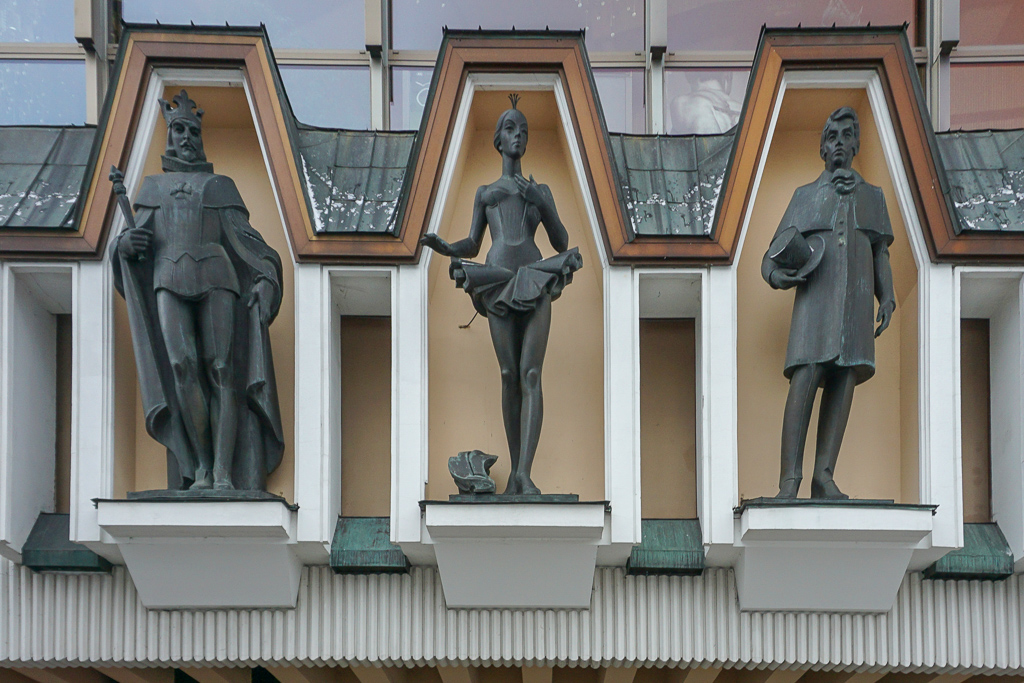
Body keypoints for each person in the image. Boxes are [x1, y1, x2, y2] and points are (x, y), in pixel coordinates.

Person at [111, 90, 284, 492]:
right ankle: (201, 466)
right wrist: (125, 245)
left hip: (217, 277)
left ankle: (222, 471)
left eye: (192, 130)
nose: (186, 138)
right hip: (168, 278)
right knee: (181, 367)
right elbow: (135, 243)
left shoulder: (220, 185)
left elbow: (249, 243)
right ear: (169, 135)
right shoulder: (153, 188)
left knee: (221, 368)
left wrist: (266, 278)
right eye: (179, 130)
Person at [420, 94, 583, 496]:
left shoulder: (538, 190)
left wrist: (542, 203)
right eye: (510, 129)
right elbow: (473, 243)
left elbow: (561, 241)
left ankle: (523, 474)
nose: (518, 136)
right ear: (498, 140)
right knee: (509, 374)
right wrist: (445, 247)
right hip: (496, 279)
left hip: (533, 277)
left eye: (523, 130)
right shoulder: (485, 192)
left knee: (531, 373)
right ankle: (514, 475)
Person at [761, 106, 896, 500]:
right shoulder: (805, 196)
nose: (838, 143)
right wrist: (778, 276)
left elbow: (880, 252)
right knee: (805, 378)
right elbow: (771, 257)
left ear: (856, 145)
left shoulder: (873, 196)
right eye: (831, 137)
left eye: (845, 136)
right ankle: (789, 481)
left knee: (845, 377)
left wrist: (887, 296)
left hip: (855, 307)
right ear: (823, 148)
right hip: (814, 305)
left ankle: (823, 476)